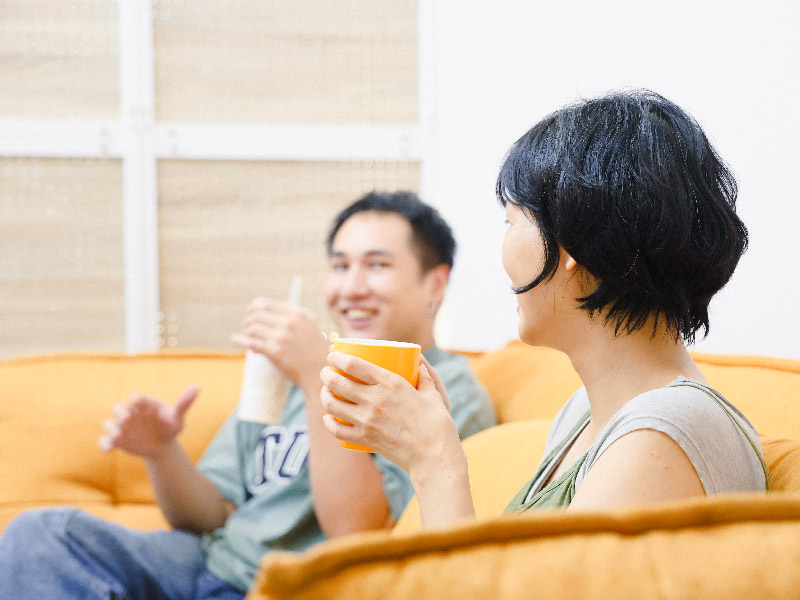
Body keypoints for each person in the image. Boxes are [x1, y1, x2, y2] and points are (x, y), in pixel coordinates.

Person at [0, 191, 496, 599]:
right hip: (203, 565)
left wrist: (315, 373)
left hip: (289, 585)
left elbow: (358, 533)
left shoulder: (443, 390)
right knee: (42, 536)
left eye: (377, 265)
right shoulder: (288, 375)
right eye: (340, 265)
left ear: (435, 284)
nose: (351, 287)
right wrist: (161, 451)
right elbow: (208, 515)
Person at [321, 90, 769, 527]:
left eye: (512, 221)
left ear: (571, 244)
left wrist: (434, 461)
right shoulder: (586, 411)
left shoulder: (661, 435)